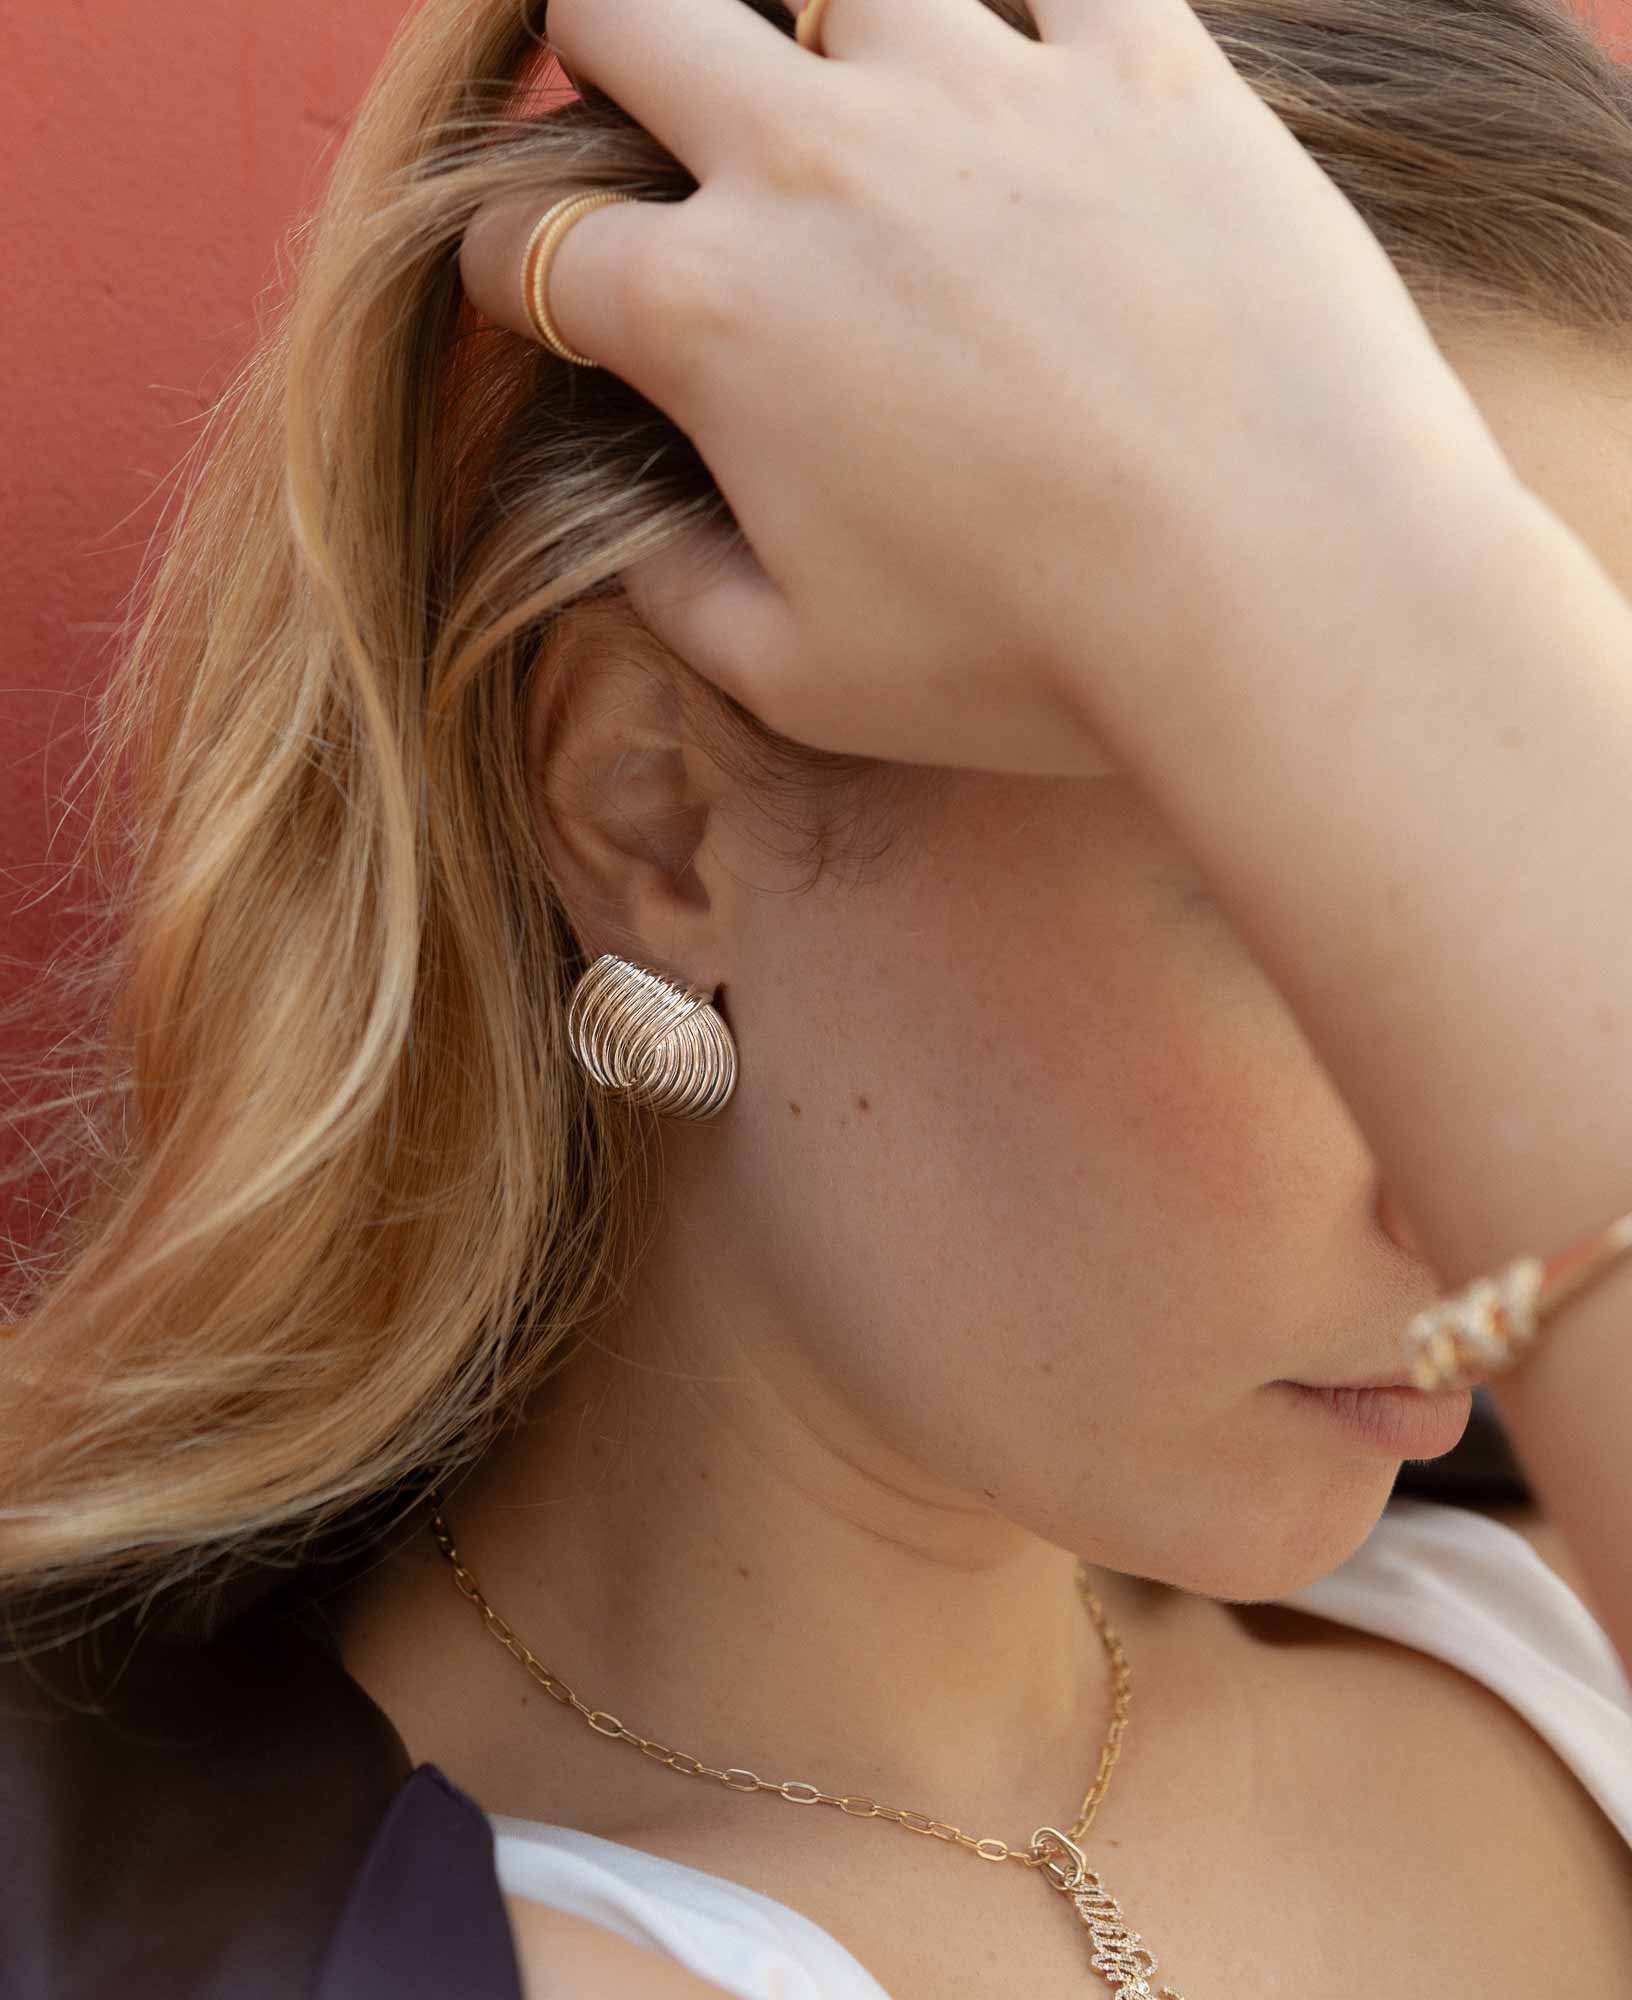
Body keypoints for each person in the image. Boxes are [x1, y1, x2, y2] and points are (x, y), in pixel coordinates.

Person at [2, 0, 1631, 1994]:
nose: (1488, 1178)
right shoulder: (328, 1947)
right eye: (1334, 868)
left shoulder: (1554, 1655)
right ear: (656, 811)